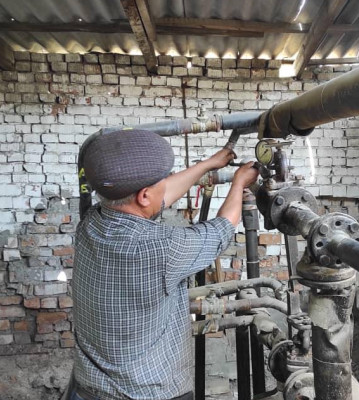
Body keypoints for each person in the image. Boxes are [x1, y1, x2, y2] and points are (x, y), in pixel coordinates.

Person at [65, 129, 259, 400]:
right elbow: (222, 229)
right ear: (144, 195)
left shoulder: (91, 223)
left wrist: (208, 164)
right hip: (149, 393)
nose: (166, 187)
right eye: (162, 183)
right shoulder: (163, 247)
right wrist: (239, 183)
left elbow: (158, 198)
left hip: (86, 389)